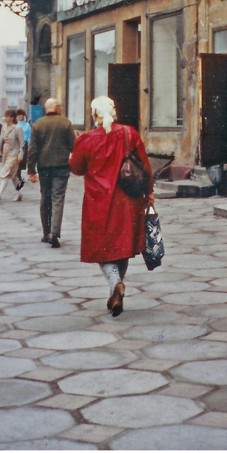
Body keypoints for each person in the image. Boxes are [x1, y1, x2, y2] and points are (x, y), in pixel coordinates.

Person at [69, 96, 153, 317]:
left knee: (101, 248)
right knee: (121, 246)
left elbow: (76, 169)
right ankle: (116, 289)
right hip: (128, 200)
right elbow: (144, 165)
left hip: (98, 202)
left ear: (94, 114)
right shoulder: (129, 133)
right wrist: (150, 192)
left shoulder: (85, 139)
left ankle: (116, 285)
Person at [27, 98, 76, 248]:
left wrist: (31, 170)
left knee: (45, 198)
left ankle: (45, 232)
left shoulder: (37, 125)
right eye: (60, 106)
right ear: (56, 108)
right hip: (61, 167)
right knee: (57, 198)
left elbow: (32, 149)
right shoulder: (65, 123)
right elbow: (74, 146)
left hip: (44, 167)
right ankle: (54, 233)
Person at [0, 109, 25, 203]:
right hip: (5, 153)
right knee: (13, 175)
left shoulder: (18, 128)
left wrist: (20, 155)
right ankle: (19, 193)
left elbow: (22, 143)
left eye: (7, 116)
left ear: (12, 118)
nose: (5, 118)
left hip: (14, 154)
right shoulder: (4, 127)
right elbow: (0, 141)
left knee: (5, 173)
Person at [15, 108, 32, 198]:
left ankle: (21, 174)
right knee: (17, 160)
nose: (20, 116)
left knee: (23, 160)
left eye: (21, 115)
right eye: (18, 115)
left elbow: (29, 135)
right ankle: (18, 176)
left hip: (24, 144)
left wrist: (29, 145)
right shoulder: (16, 125)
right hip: (17, 143)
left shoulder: (27, 125)